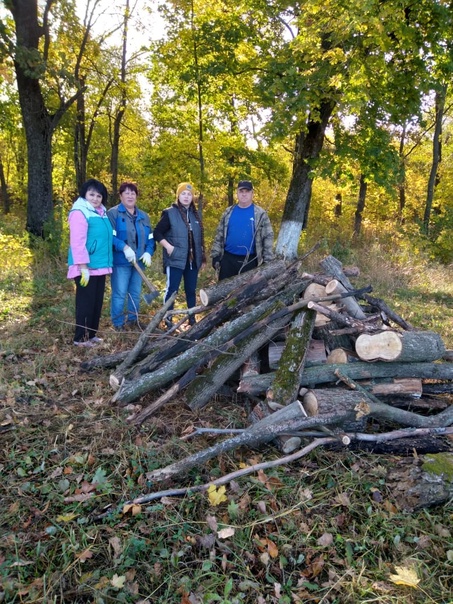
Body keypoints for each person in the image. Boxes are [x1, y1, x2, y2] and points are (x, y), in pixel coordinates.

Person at [67, 178, 113, 347]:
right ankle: (80, 338)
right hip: (86, 267)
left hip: (100, 265)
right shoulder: (79, 212)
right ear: (84, 195)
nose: (95, 198)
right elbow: (77, 242)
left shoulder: (102, 213)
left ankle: (91, 334)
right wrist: (83, 266)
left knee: (96, 302)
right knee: (85, 303)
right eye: (91, 194)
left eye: (99, 196)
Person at [153, 182, 206, 327]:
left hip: (192, 261)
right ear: (178, 195)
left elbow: (200, 238)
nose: (186, 196)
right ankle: (168, 320)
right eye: (183, 193)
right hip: (176, 259)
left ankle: (192, 319)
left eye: (189, 194)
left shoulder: (196, 215)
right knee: (172, 290)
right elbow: (157, 232)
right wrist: (169, 247)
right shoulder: (170, 213)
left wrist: (202, 257)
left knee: (190, 290)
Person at [108, 182, 155, 330]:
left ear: (136, 196)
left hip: (138, 262)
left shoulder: (144, 216)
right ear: (121, 196)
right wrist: (124, 247)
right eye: (126, 193)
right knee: (120, 293)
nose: (130, 196)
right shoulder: (113, 214)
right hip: (121, 262)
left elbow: (151, 238)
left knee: (135, 293)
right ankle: (118, 323)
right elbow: (109, 236)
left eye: (133, 193)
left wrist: (149, 252)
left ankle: (133, 320)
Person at [210, 180, 274, 281]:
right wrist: (215, 255)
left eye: (247, 191)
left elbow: (268, 237)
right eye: (241, 191)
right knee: (224, 293)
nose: (244, 194)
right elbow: (220, 235)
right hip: (228, 260)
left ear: (252, 193)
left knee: (245, 293)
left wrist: (267, 260)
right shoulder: (228, 212)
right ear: (237, 193)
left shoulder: (260, 214)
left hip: (250, 261)